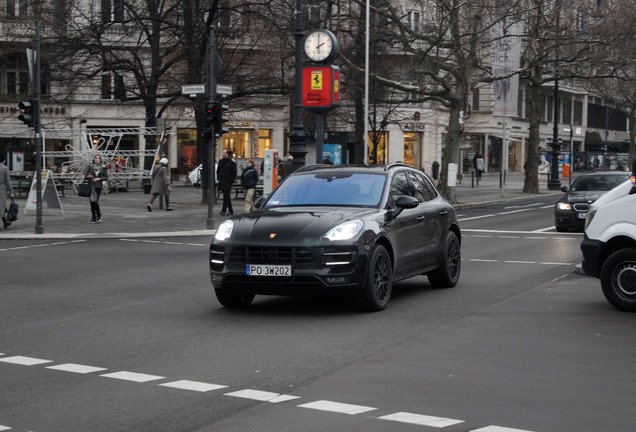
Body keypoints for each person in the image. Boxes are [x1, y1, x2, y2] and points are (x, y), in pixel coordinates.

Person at [84, 154, 108, 223]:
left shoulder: (103, 168)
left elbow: (105, 177)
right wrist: (89, 176)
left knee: (95, 201)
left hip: (98, 186)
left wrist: (98, 179)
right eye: (96, 158)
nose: (97, 159)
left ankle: (99, 214)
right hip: (91, 185)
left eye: (98, 158)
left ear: (100, 160)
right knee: (92, 201)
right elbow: (85, 176)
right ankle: (93, 216)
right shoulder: (90, 167)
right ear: (94, 159)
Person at [217, 148, 237, 216]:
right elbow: (218, 170)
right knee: (226, 195)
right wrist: (219, 177)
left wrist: (230, 178)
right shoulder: (220, 161)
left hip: (228, 181)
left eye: (224, 152)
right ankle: (230, 210)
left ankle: (223, 210)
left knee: (226, 195)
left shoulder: (232, 163)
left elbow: (234, 172)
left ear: (227, 154)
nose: (222, 153)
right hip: (222, 181)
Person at [0, 154, 15, 230]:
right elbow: (8, 181)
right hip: (1, 190)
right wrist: (11, 191)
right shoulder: (4, 168)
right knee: (1, 207)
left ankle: (5, 222)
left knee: (2, 207)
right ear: (4, 161)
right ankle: (5, 222)